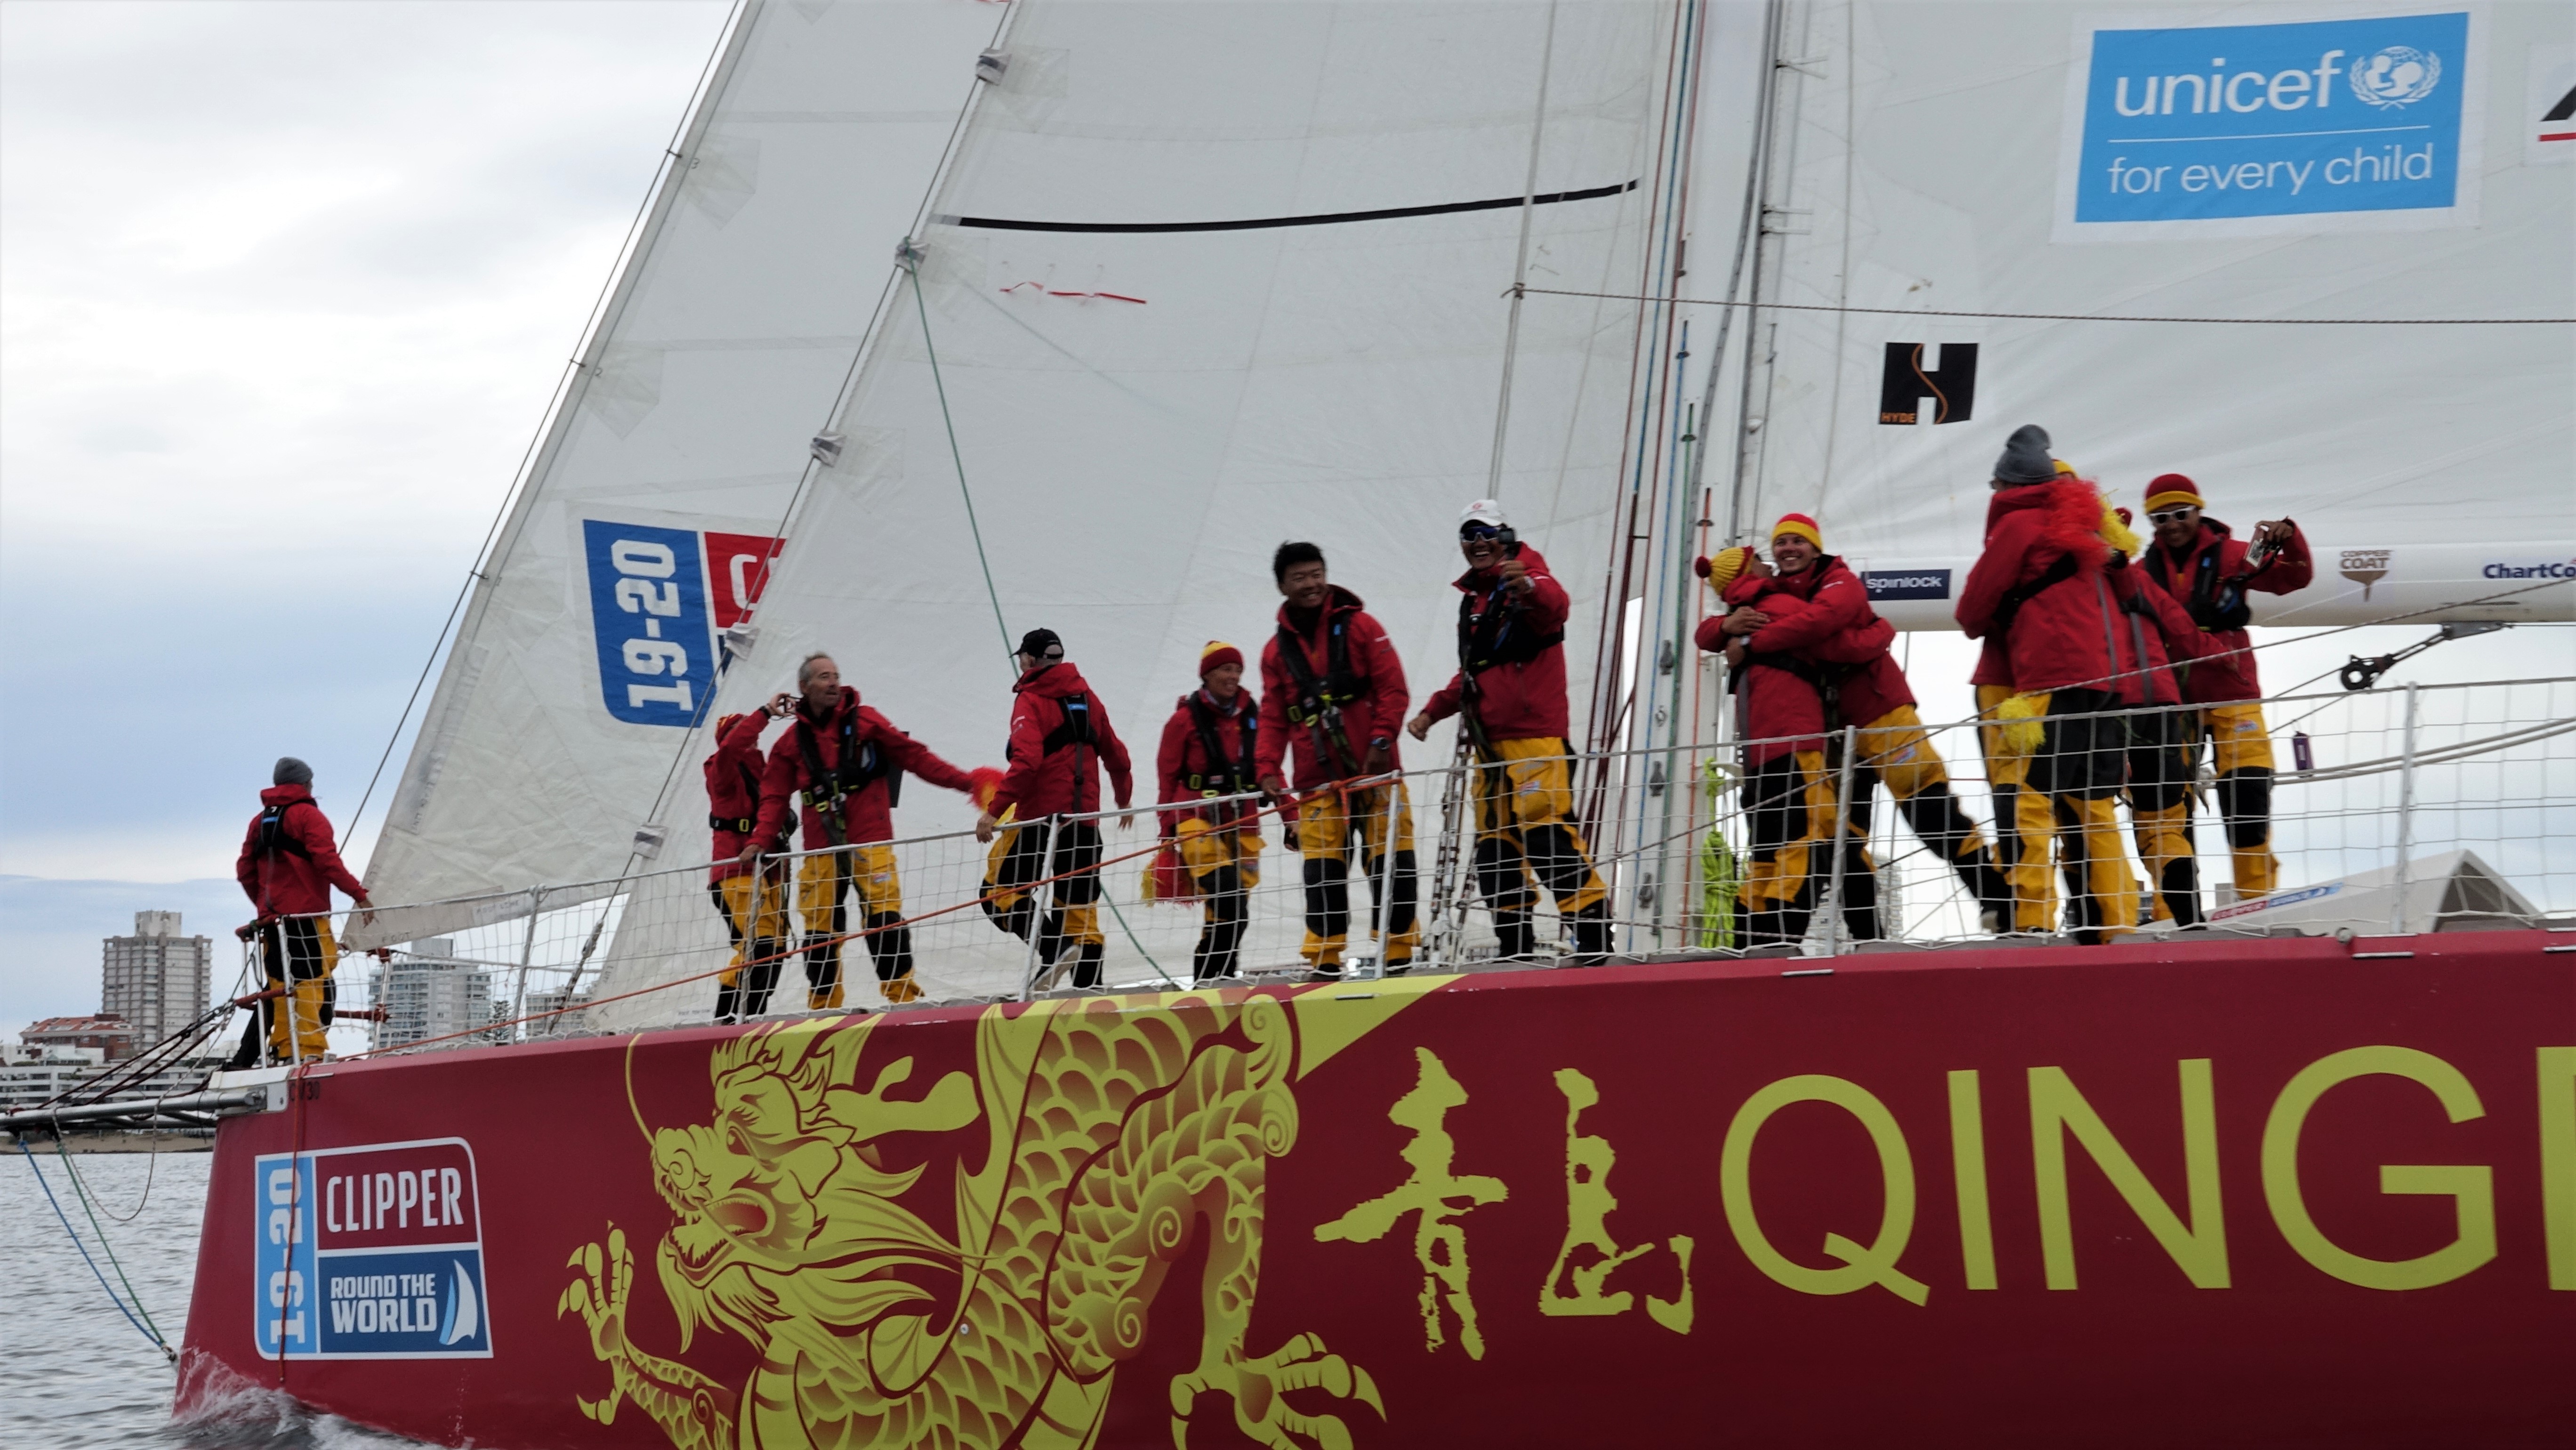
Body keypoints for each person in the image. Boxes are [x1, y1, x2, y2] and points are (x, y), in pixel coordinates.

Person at [1957, 428, 2213, 942]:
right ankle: (2122, 928)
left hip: (2048, 683)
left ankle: (2029, 922)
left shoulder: (2018, 525)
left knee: (2029, 800)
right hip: (2109, 692)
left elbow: (1971, 612)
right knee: (2101, 810)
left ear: (2009, 484)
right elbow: (2171, 622)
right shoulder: (2098, 540)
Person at [1707, 512, 2015, 936]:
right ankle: (1868, 937)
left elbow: (1824, 629)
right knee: (1844, 838)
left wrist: (1750, 642)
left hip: (1880, 712)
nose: (1789, 549)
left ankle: (1997, 898)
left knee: (1930, 808)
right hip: (1835, 732)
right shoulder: (1774, 594)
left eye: (1798, 541)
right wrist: (1726, 627)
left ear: (1816, 547)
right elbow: (1723, 628)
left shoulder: (1840, 581)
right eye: (1781, 543)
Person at [1408, 501, 1612, 962]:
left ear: (1506, 537)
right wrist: (1431, 713)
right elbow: (1475, 671)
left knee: (1547, 838)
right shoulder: (1474, 600)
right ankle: (1514, 949)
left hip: (1536, 738)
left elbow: (1556, 606)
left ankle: (1596, 942)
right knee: (1495, 851)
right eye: (1469, 534)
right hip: (1491, 748)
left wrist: (1528, 586)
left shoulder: (1529, 579)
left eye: (1487, 532)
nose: (1478, 541)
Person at [746, 652, 992, 1007]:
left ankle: (903, 999)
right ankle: (823, 1007)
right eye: (824, 677)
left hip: (870, 839)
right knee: (819, 931)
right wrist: (759, 841)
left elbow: (915, 757)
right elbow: (773, 798)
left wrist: (968, 783)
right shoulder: (789, 743)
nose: (834, 683)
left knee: (885, 919)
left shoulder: (867, 721)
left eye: (836, 675)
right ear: (804, 687)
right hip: (821, 848)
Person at [1696, 546, 1892, 945]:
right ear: (1746, 571)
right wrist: (1883, 630)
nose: (1768, 562)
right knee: (1811, 842)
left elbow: (1706, 634)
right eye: (1757, 559)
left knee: (1769, 853)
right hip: (1798, 742)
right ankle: (1787, 941)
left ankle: (1750, 944)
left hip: (1760, 754)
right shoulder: (1779, 604)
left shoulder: (1744, 614)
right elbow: (1829, 630)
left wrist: (1728, 630)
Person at [2140, 473, 2312, 904]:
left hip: (2233, 692)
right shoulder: (2141, 573)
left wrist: (2290, 539)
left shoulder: (2236, 555)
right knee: (2169, 807)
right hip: (2173, 700)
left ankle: (2255, 902)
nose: (2172, 525)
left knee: (2247, 795)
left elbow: (2293, 579)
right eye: (2161, 519)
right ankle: (2172, 911)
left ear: (2198, 512)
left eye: (2181, 514)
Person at [1256, 541, 1415, 981]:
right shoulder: (1275, 653)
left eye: (1316, 574)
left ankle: (1399, 952)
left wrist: (1382, 739)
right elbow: (1273, 717)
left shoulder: (1363, 627)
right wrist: (1267, 769)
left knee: (1392, 861)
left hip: (1376, 772)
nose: (1311, 584)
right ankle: (1325, 960)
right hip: (1318, 780)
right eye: (1299, 578)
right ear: (1282, 586)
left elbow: (1393, 689)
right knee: (1322, 871)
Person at [977, 628, 1135, 990]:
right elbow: (1117, 755)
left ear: (1029, 659)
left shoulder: (1031, 699)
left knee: (997, 894)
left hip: (1040, 823)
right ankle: (1091, 999)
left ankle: (1053, 949)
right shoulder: (1088, 698)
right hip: (1085, 825)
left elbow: (1027, 762)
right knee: (1081, 919)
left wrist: (993, 811)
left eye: (1022, 657)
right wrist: (1123, 799)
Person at [230, 757, 371, 1066]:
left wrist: (264, 906)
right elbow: (327, 861)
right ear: (307, 783)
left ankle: (284, 1050)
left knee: (281, 986)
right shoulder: (310, 816)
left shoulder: (259, 821)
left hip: (272, 922)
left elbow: (245, 870)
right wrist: (359, 896)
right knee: (313, 982)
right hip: (306, 918)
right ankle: (308, 1051)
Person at [1156, 641, 1265, 981]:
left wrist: (1291, 819)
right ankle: (1213, 982)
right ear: (1207, 674)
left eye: (1238, 670)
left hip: (1244, 821)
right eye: (1226, 669)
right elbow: (1167, 777)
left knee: (1229, 913)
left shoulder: (1253, 715)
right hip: (1194, 819)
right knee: (1231, 900)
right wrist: (1166, 832)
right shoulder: (1183, 720)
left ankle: (1216, 982)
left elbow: (1269, 765)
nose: (1234, 677)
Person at [706, 699, 793, 1022]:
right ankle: (727, 1022)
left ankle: (750, 1021)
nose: (752, 735)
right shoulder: (721, 768)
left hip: (770, 872)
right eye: (742, 730)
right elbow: (731, 748)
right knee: (758, 947)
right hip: (736, 871)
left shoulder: (766, 771)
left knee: (775, 950)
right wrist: (765, 714)